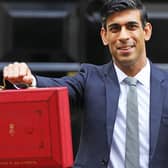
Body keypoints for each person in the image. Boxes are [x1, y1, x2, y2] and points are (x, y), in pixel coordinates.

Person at [2, 0, 168, 167]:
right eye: (115, 28)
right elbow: (55, 88)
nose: (123, 36)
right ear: (104, 36)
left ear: (146, 31)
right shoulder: (90, 79)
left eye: (131, 26)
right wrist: (28, 80)